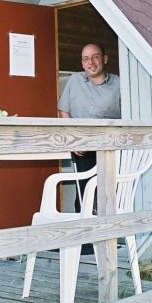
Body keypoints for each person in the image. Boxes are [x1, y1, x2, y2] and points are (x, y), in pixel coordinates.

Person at [58, 42, 121, 212]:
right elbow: (64, 110)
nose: (91, 63)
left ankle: (109, 233)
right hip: (82, 147)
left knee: (110, 195)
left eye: (95, 57)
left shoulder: (120, 85)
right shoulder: (74, 81)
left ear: (105, 59)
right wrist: (73, 140)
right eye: (86, 59)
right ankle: (84, 237)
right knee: (84, 195)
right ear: (82, 63)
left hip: (111, 148)